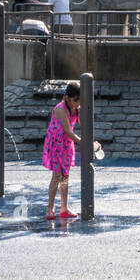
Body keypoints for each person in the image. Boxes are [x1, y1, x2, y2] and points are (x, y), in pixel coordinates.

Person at [42, 82, 82, 220]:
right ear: (67, 98)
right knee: (57, 176)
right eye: (76, 100)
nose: (78, 103)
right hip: (56, 145)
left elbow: (84, 125)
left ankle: (64, 208)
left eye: (80, 100)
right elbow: (68, 131)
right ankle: (50, 208)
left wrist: (91, 141)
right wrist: (84, 142)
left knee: (65, 176)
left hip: (66, 145)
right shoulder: (61, 109)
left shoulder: (77, 109)